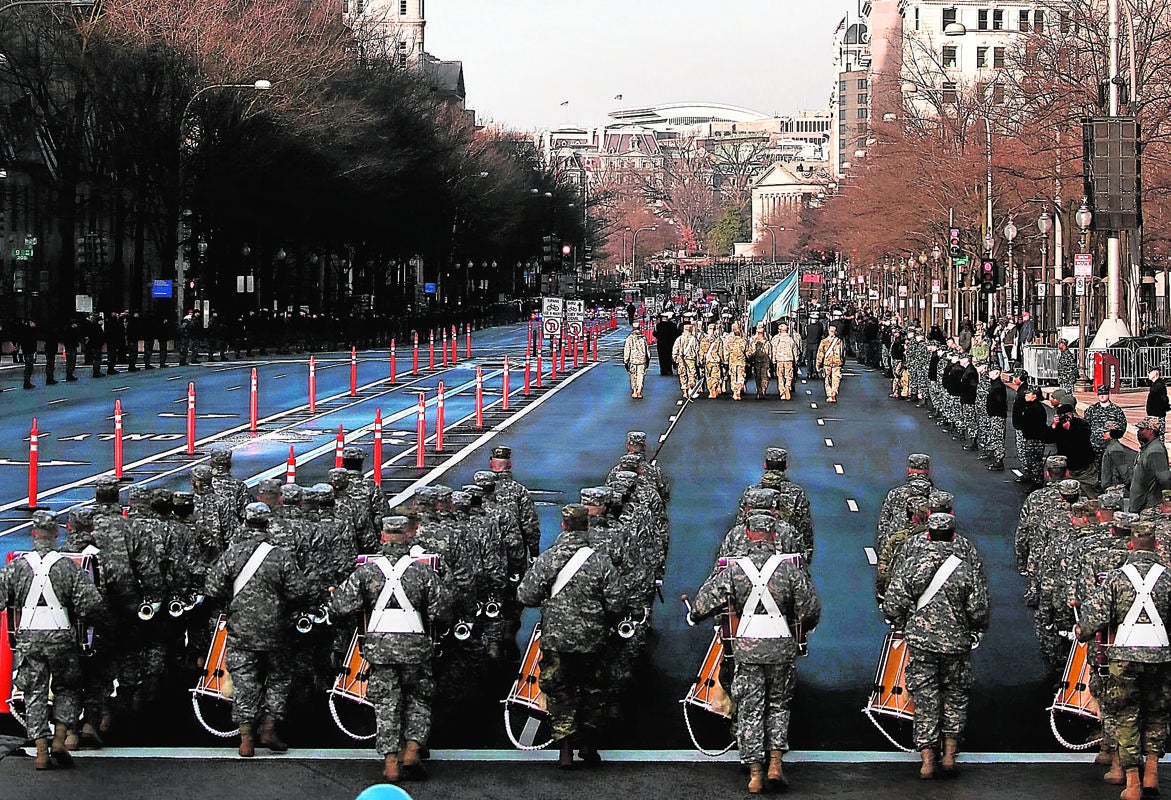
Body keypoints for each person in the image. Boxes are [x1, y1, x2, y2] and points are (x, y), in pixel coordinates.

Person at [686, 515, 821, 793]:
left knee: (749, 708)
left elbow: (703, 604)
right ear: (774, 535)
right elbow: (810, 610)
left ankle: (755, 774)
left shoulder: (734, 571)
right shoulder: (789, 570)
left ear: (747, 534)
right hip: (781, 646)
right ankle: (775, 764)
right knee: (778, 705)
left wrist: (695, 615)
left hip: (746, 647)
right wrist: (800, 626)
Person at [329, 515, 450, 782]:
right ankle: (412, 750)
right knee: (419, 698)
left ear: (383, 537)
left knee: (386, 702)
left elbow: (340, 607)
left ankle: (390, 761)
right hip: (415, 646)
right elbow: (442, 610)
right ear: (407, 536)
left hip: (379, 646)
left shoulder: (366, 571)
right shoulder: (422, 571)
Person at [882, 512, 990, 780]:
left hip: (921, 642)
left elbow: (893, 603)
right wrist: (973, 629)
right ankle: (950, 754)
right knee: (955, 694)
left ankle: (927, 759)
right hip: (956, 642)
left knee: (925, 695)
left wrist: (902, 620)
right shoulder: (965, 568)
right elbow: (979, 610)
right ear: (954, 536)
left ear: (927, 534)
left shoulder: (912, 564)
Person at [517, 504, 623, 769]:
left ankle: (565, 749)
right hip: (592, 639)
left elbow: (525, 595)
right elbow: (617, 602)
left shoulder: (549, 558)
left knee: (559, 690)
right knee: (594, 689)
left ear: (563, 526)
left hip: (557, 638)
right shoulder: (600, 561)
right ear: (587, 527)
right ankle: (589, 744)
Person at [0, 511, 107, 770]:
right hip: (61, 635)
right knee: (66, 688)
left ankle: (40, 750)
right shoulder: (67, 566)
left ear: (34, 533)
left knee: (34, 693)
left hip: (28, 637)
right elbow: (91, 603)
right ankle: (60, 737)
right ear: (58, 533)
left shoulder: (17, 565)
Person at [204, 502, 312, 757]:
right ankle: (270, 727)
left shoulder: (232, 554)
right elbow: (299, 591)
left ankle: (245, 738)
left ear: (245, 523)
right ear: (268, 525)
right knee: (280, 677)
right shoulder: (281, 556)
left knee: (244, 680)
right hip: (276, 631)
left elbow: (212, 588)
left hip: (241, 630)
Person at [1076, 522, 1171, 800]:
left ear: (1131, 544)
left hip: (1125, 657)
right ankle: (1152, 771)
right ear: (1155, 545)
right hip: (1160, 656)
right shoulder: (1168, 578)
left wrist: (1082, 631)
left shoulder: (1117, 579)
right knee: (1157, 713)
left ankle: (1130, 781)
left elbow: (1094, 617)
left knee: (1126, 714)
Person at [1131, 417, 1171, 514]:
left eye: (1142, 429)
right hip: (1141, 504)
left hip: (1149, 506)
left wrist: (1167, 502)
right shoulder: (1148, 448)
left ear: (1151, 431)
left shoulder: (1155, 451)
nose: (1138, 432)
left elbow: (1164, 479)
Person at [1101, 421, 1137, 494]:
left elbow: (1122, 469)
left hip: (1114, 487)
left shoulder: (1115, 448)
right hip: (1111, 485)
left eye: (1105, 432)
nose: (1103, 434)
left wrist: (1128, 484)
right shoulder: (1112, 446)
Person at [815, 321, 846, 403]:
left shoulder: (824, 341)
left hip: (827, 363)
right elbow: (843, 353)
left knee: (827, 379)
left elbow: (820, 354)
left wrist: (818, 365)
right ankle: (834, 392)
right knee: (836, 379)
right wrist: (843, 362)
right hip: (837, 363)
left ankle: (829, 394)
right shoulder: (840, 341)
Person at [769, 320, 800, 401]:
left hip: (779, 360)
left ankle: (782, 392)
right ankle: (787, 387)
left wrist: (773, 360)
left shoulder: (776, 339)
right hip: (789, 359)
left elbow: (773, 349)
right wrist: (796, 360)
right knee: (789, 376)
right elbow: (795, 350)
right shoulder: (790, 339)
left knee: (780, 376)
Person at [622, 321, 651, 399]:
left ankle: (634, 391)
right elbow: (647, 350)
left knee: (633, 376)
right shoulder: (643, 338)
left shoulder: (629, 338)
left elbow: (627, 350)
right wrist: (648, 358)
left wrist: (626, 360)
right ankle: (639, 390)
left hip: (633, 360)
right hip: (642, 360)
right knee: (641, 375)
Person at [749, 322, 771, 399]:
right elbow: (750, 350)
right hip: (756, 360)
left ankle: (763, 389)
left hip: (765, 360)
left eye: (761, 328)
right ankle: (759, 390)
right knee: (758, 376)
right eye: (759, 328)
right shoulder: (753, 339)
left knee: (764, 376)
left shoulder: (768, 338)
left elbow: (770, 350)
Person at [653, 312, 678, 377]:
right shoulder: (673, 325)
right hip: (670, 344)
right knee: (669, 356)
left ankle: (663, 370)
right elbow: (676, 334)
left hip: (661, 344)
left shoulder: (658, 325)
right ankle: (669, 369)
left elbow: (655, 334)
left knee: (662, 357)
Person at [1147, 369, 1169, 440]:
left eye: (1150, 373)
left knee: (1158, 435)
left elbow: (1164, 399)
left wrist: (1165, 408)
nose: (1148, 375)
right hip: (1154, 414)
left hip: (1157, 415)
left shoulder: (1159, 385)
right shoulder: (1155, 385)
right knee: (1153, 435)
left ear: (1155, 374)